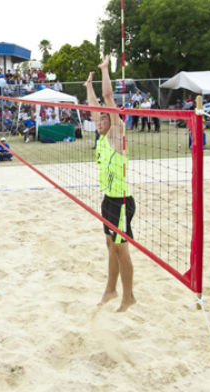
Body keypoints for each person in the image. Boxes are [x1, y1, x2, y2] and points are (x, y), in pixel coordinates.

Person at [84, 55, 136, 312]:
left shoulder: (116, 134)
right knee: (110, 245)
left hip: (122, 201)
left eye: (105, 118)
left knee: (121, 249)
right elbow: (95, 105)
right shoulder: (102, 135)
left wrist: (104, 69)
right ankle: (111, 289)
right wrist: (87, 87)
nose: (100, 119)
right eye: (100, 119)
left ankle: (128, 295)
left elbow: (107, 99)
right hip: (109, 199)